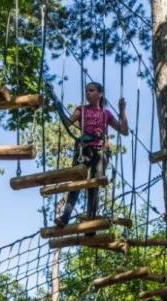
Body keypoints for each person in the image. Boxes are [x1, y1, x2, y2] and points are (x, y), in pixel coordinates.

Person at [55, 82, 129, 228]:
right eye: (86, 91)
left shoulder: (106, 114)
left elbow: (124, 130)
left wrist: (122, 110)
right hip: (84, 150)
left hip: (101, 151)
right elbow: (67, 123)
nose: (87, 93)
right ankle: (65, 217)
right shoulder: (81, 110)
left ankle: (91, 221)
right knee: (76, 183)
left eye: (91, 90)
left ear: (100, 94)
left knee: (93, 184)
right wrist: (57, 104)